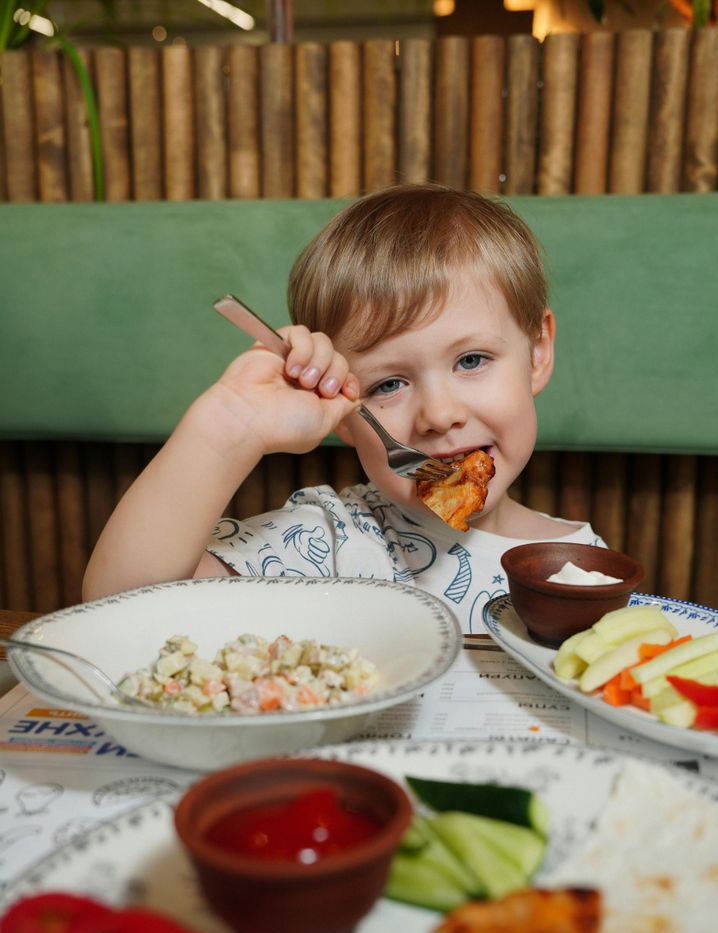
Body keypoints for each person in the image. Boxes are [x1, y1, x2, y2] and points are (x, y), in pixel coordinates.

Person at [83, 184, 604, 633]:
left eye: (471, 360)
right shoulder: (331, 539)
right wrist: (229, 424)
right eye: (388, 384)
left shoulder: (586, 567)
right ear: (343, 416)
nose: (439, 414)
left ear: (537, 353)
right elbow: (120, 609)